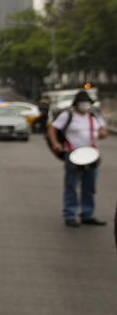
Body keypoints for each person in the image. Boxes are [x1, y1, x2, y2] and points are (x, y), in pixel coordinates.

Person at [47, 90, 108, 226]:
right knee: (71, 185)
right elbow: (53, 129)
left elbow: (103, 130)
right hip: (73, 154)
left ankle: (87, 214)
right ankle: (70, 214)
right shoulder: (67, 115)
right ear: (76, 104)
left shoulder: (94, 116)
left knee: (90, 187)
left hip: (91, 155)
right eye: (82, 103)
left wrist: (102, 133)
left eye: (87, 103)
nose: (85, 105)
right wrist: (56, 143)